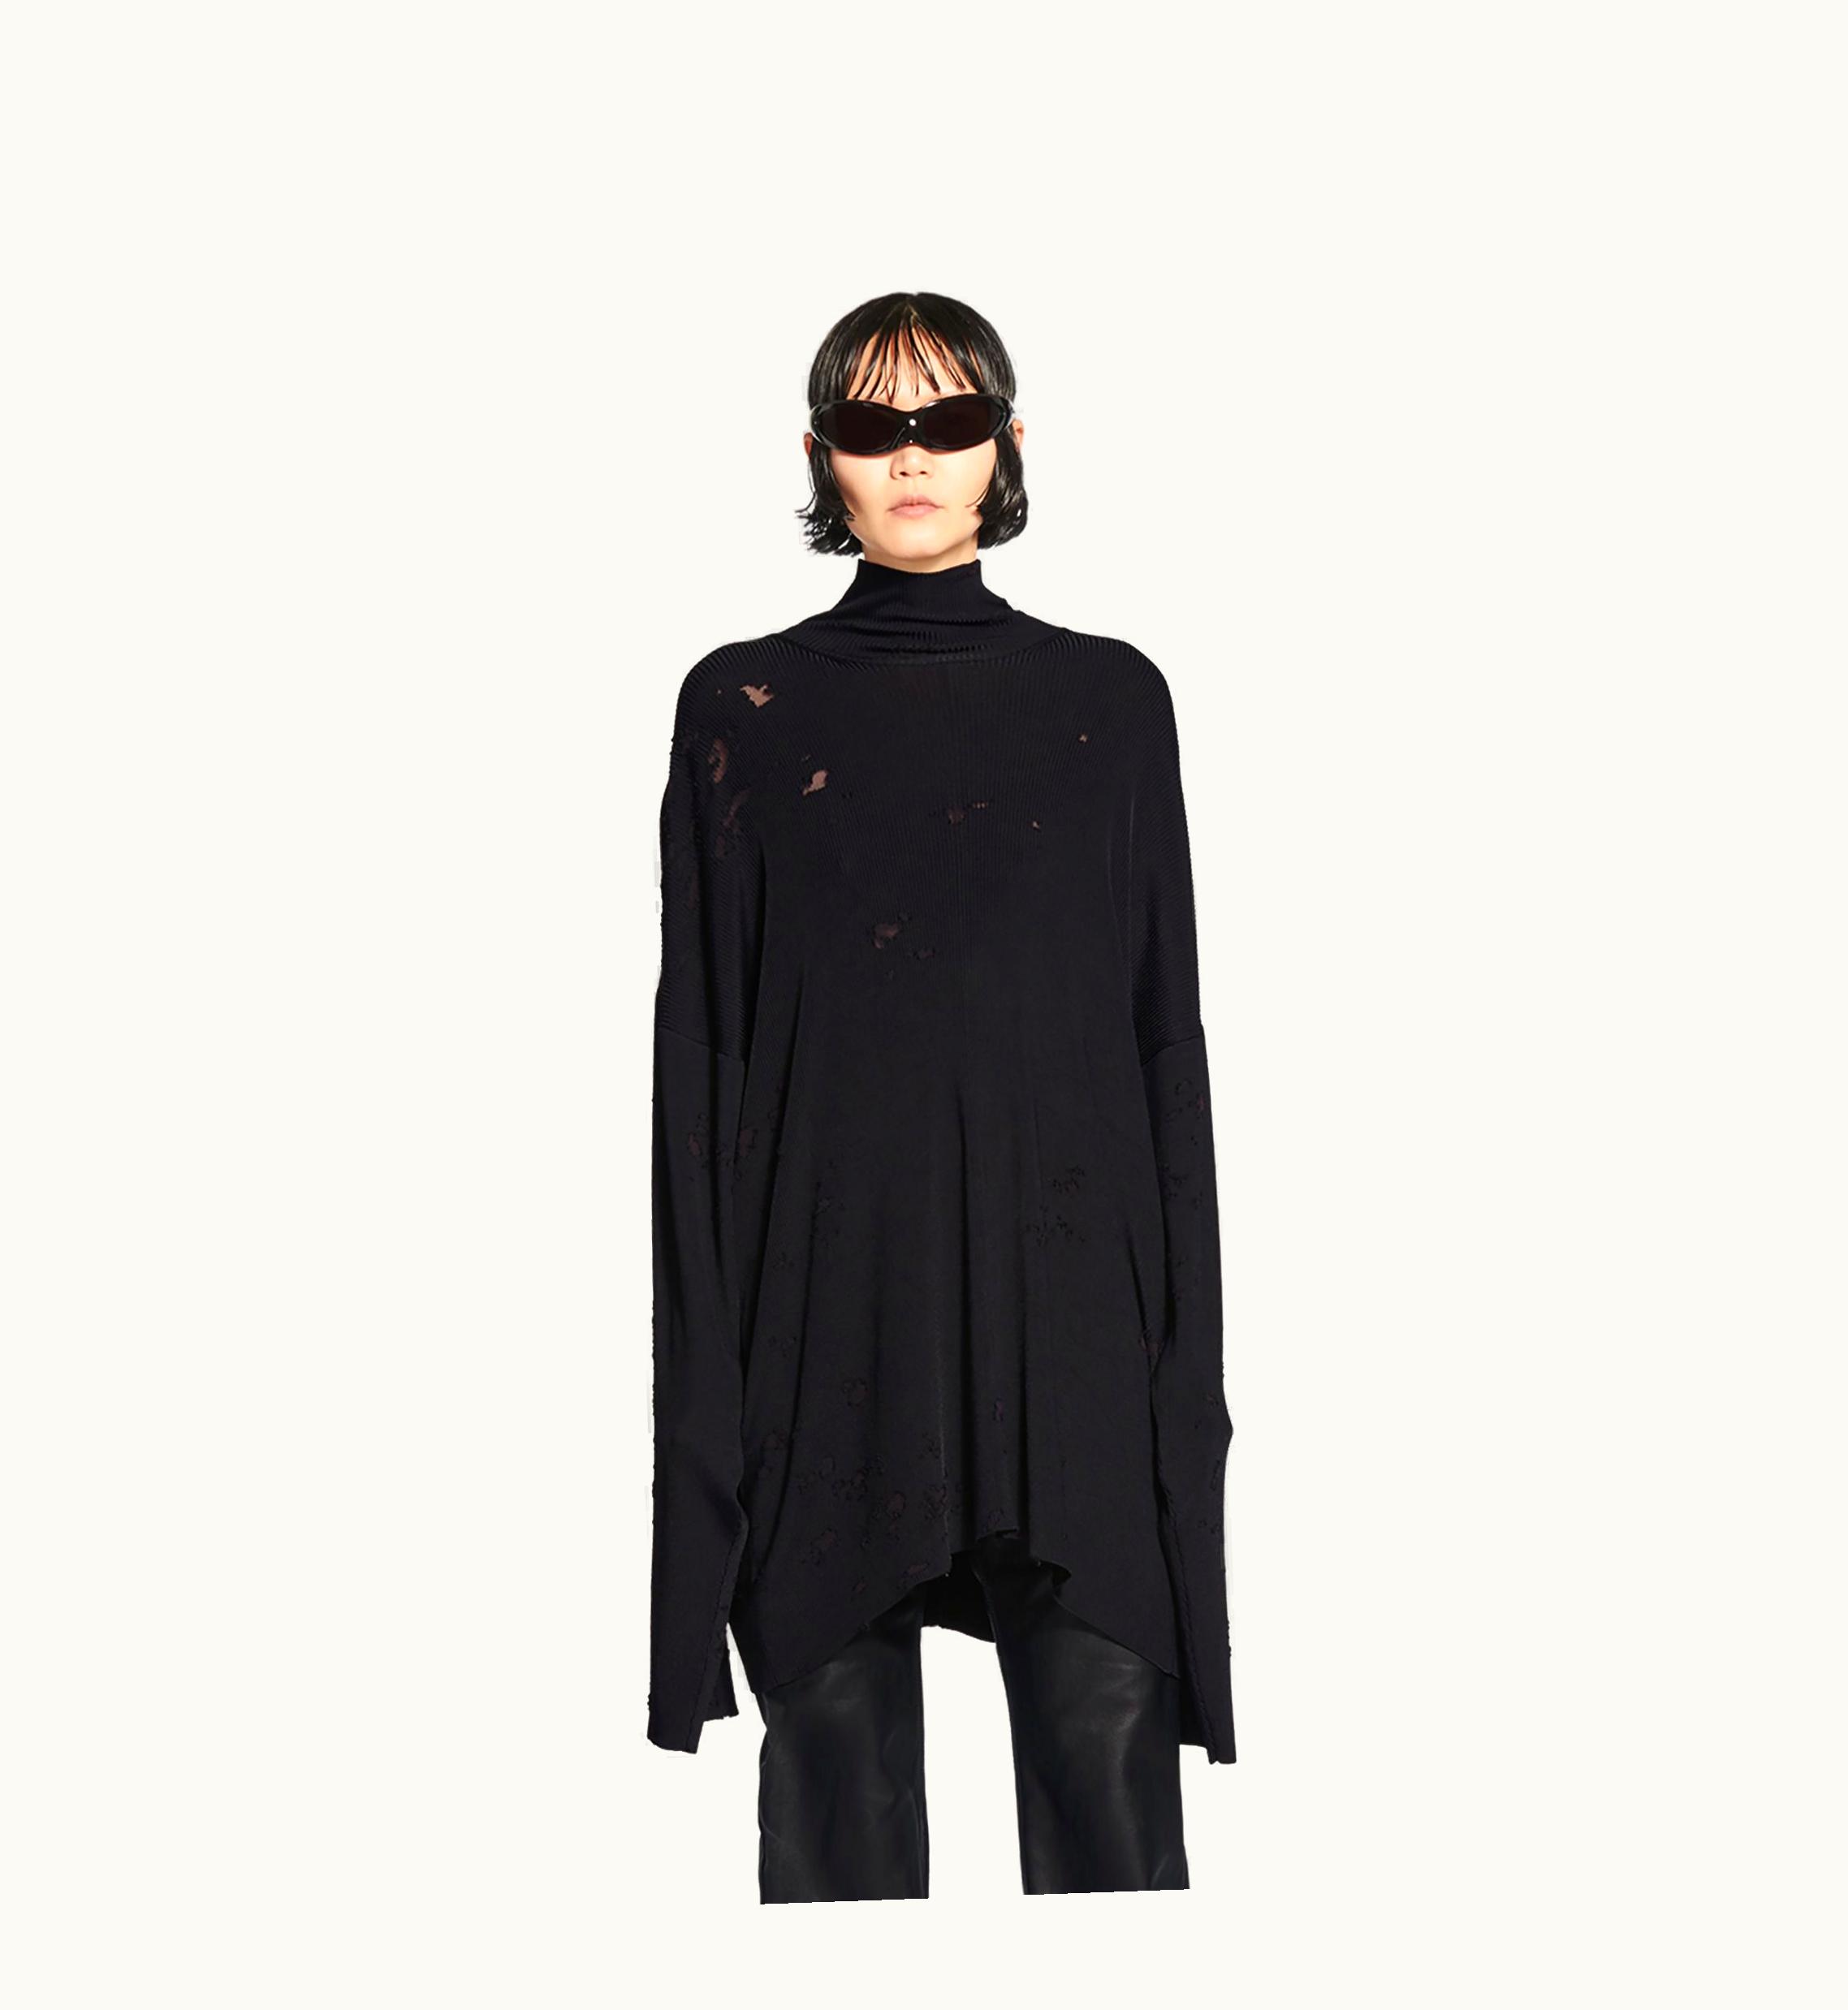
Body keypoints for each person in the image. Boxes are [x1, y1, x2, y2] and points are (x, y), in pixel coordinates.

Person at [647, 291, 1236, 1900]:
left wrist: (1179, 1372)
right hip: (824, 1322)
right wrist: (710, 1393)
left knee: (1109, 1804)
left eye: (948, 420)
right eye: (872, 424)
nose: (911, 456)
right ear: (821, 455)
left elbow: (1163, 1049)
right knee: (834, 1809)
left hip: (1073, 1331)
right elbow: (703, 1057)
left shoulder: (1111, 702)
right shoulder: (740, 707)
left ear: (1006, 446)